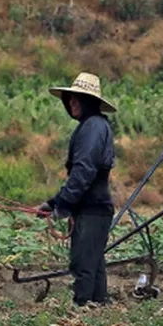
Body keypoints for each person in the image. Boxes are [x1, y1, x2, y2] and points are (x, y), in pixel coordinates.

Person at [38, 72, 117, 308]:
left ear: (88, 102)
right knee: (93, 262)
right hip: (90, 207)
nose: (72, 103)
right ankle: (98, 305)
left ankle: (82, 307)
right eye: (69, 99)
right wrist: (53, 203)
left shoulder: (93, 127)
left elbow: (83, 172)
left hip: (93, 208)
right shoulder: (91, 126)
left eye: (77, 99)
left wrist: (63, 204)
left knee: (83, 263)